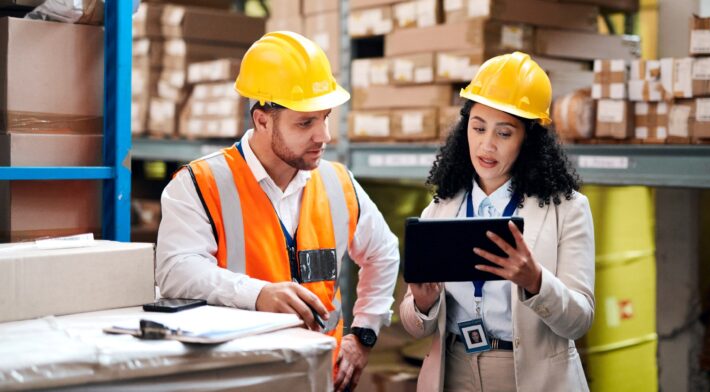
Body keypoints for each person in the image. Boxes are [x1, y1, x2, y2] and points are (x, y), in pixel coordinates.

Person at [155, 32, 400, 392]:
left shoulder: (337, 183)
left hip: (319, 377)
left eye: (325, 118)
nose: (324, 136)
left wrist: (364, 334)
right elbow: (176, 270)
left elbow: (384, 252)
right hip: (240, 377)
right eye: (306, 123)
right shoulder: (199, 183)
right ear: (262, 120)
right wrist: (258, 294)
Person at [399, 51, 595, 392]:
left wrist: (535, 281)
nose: (486, 145)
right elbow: (416, 326)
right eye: (477, 128)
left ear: (528, 141)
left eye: (504, 133)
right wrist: (422, 303)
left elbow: (579, 321)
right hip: (454, 370)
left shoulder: (568, 210)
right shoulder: (442, 208)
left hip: (529, 377)